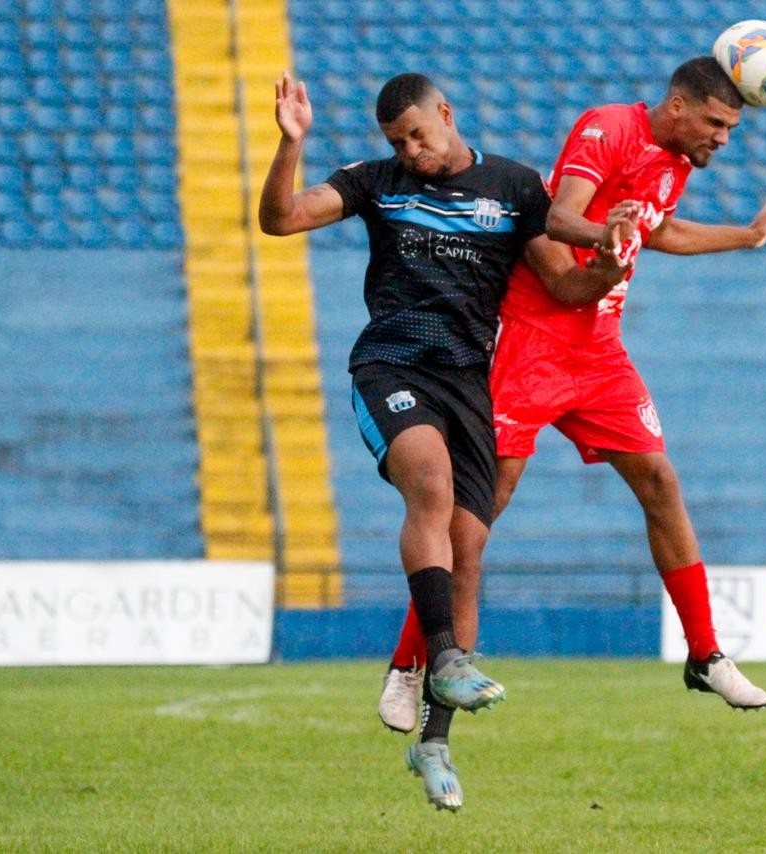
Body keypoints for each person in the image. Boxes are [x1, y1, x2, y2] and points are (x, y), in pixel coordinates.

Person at [378, 57, 766, 730]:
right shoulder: (608, 130)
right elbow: (561, 217)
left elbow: (659, 230)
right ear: (680, 106)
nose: (724, 138)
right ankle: (411, 665)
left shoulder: (677, 164)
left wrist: (746, 237)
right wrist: (610, 237)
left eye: (730, 127)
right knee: (476, 515)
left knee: (660, 482)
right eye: (718, 123)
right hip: (531, 341)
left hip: (599, 349)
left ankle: (705, 654)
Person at [259, 71, 632, 811]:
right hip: (390, 364)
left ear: (446, 115)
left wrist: (610, 254)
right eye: (398, 141)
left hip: (469, 383)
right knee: (427, 482)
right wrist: (290, 144)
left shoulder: (515, 187)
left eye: (418, 135)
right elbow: (281, 219)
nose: (411, 151)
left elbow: (565, 275)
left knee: (467, 549)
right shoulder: (375, 183)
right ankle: (445, 660)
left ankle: (433, 744)